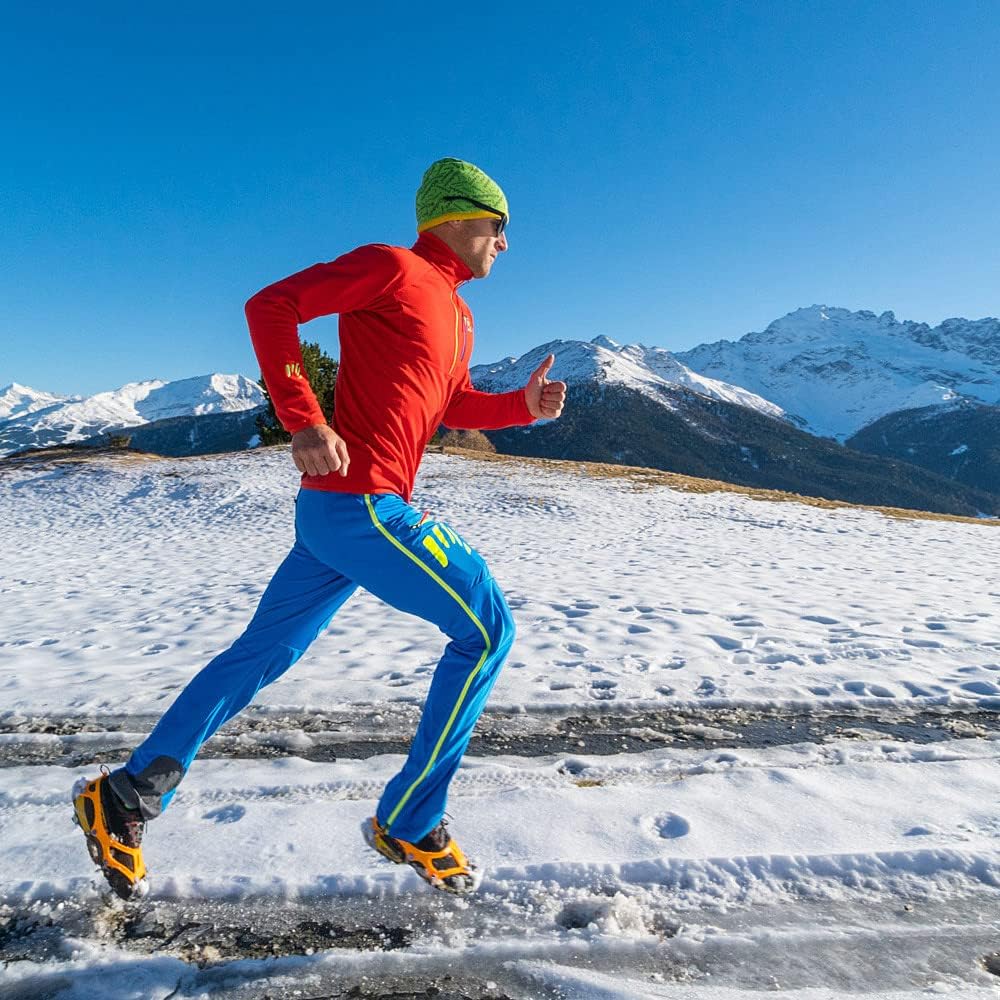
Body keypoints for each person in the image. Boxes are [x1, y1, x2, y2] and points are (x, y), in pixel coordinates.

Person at [72, 158, 567, 899]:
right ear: (461, 216)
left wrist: (520, 408)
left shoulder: (459, 313)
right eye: (501, 228)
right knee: (486, 630)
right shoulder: (392, 268)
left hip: (338, 516)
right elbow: (271, 305)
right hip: (364, 504)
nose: (505, 245)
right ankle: (410, 818)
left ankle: (128, 795)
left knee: (260, 655)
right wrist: (303, 417)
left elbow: (449, 402)